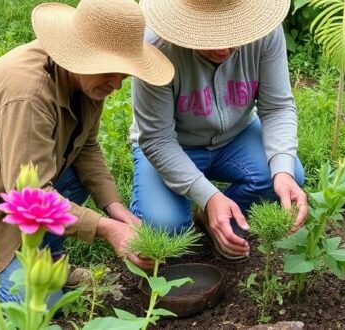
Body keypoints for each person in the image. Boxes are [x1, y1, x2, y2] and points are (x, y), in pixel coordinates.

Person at [0, 0, 174, 304]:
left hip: (16, 182)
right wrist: (107, 229)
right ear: (81, 55)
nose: (117, 85)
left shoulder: (89, 79)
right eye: (112, 71)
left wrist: (115, 208)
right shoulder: (28, 94)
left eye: (125, 74)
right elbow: (30, 197)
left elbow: (86, 148)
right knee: (37, 303)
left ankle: (48, 258)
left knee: (79, 181)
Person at [130, 0, 307, 262]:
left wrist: (282, 169)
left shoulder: (265, 32)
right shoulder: (155, 46)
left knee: (289, 176)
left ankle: (211, 214)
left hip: (237, 136)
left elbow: (277, 107)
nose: (224, 48)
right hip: (173, 144)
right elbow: (157, 139)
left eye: (233, 33)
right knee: (165, 228)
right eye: (210, 37)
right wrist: (209, 196)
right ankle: (210, 206)